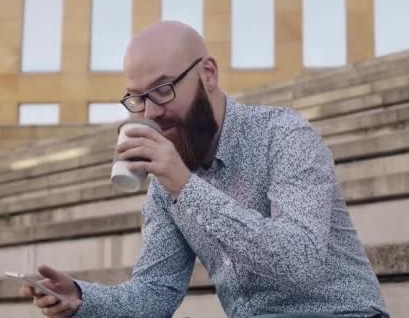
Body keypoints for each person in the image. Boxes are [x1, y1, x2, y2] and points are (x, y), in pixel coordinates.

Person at [20, 21, 389, 318]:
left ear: (208, 73)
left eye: (162, 89)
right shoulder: (167, 183)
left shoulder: (284, 135)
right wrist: (82, 299)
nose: (150, 113)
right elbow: (155, 294)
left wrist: (184, 185)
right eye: (138, 98)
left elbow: (298, 261)